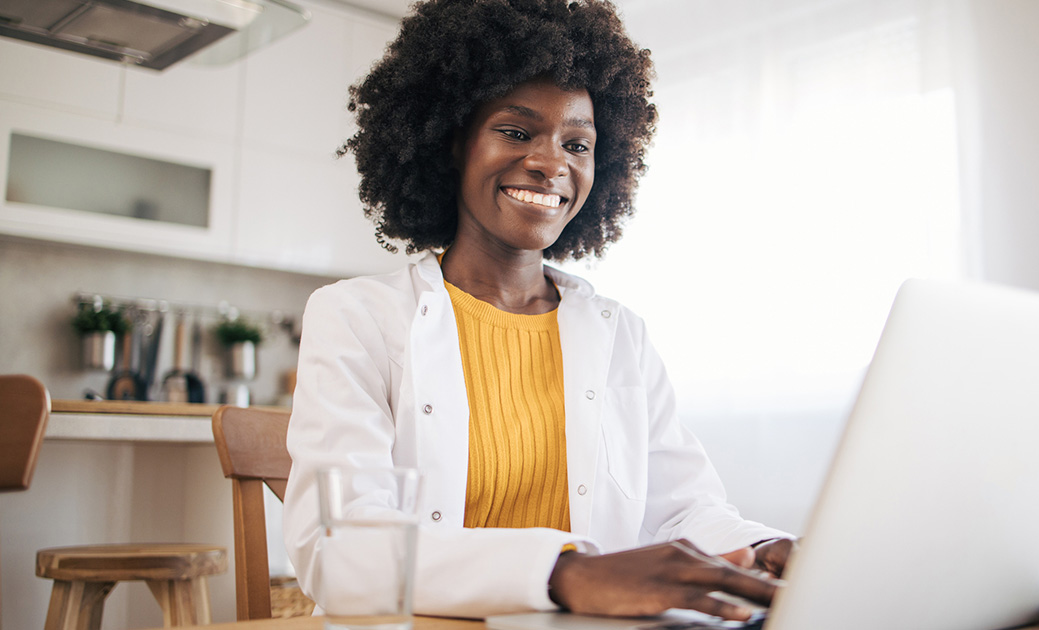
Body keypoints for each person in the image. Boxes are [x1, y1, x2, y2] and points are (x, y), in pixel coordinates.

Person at [282, 0, 794, 620]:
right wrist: (565, 573)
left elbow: (683, 509)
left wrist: (764, 551)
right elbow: (340, 549)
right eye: (517, 132)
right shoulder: (356, 317)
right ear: (451, 143)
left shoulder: (620, 335)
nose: (552, 162)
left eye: (576, 143)